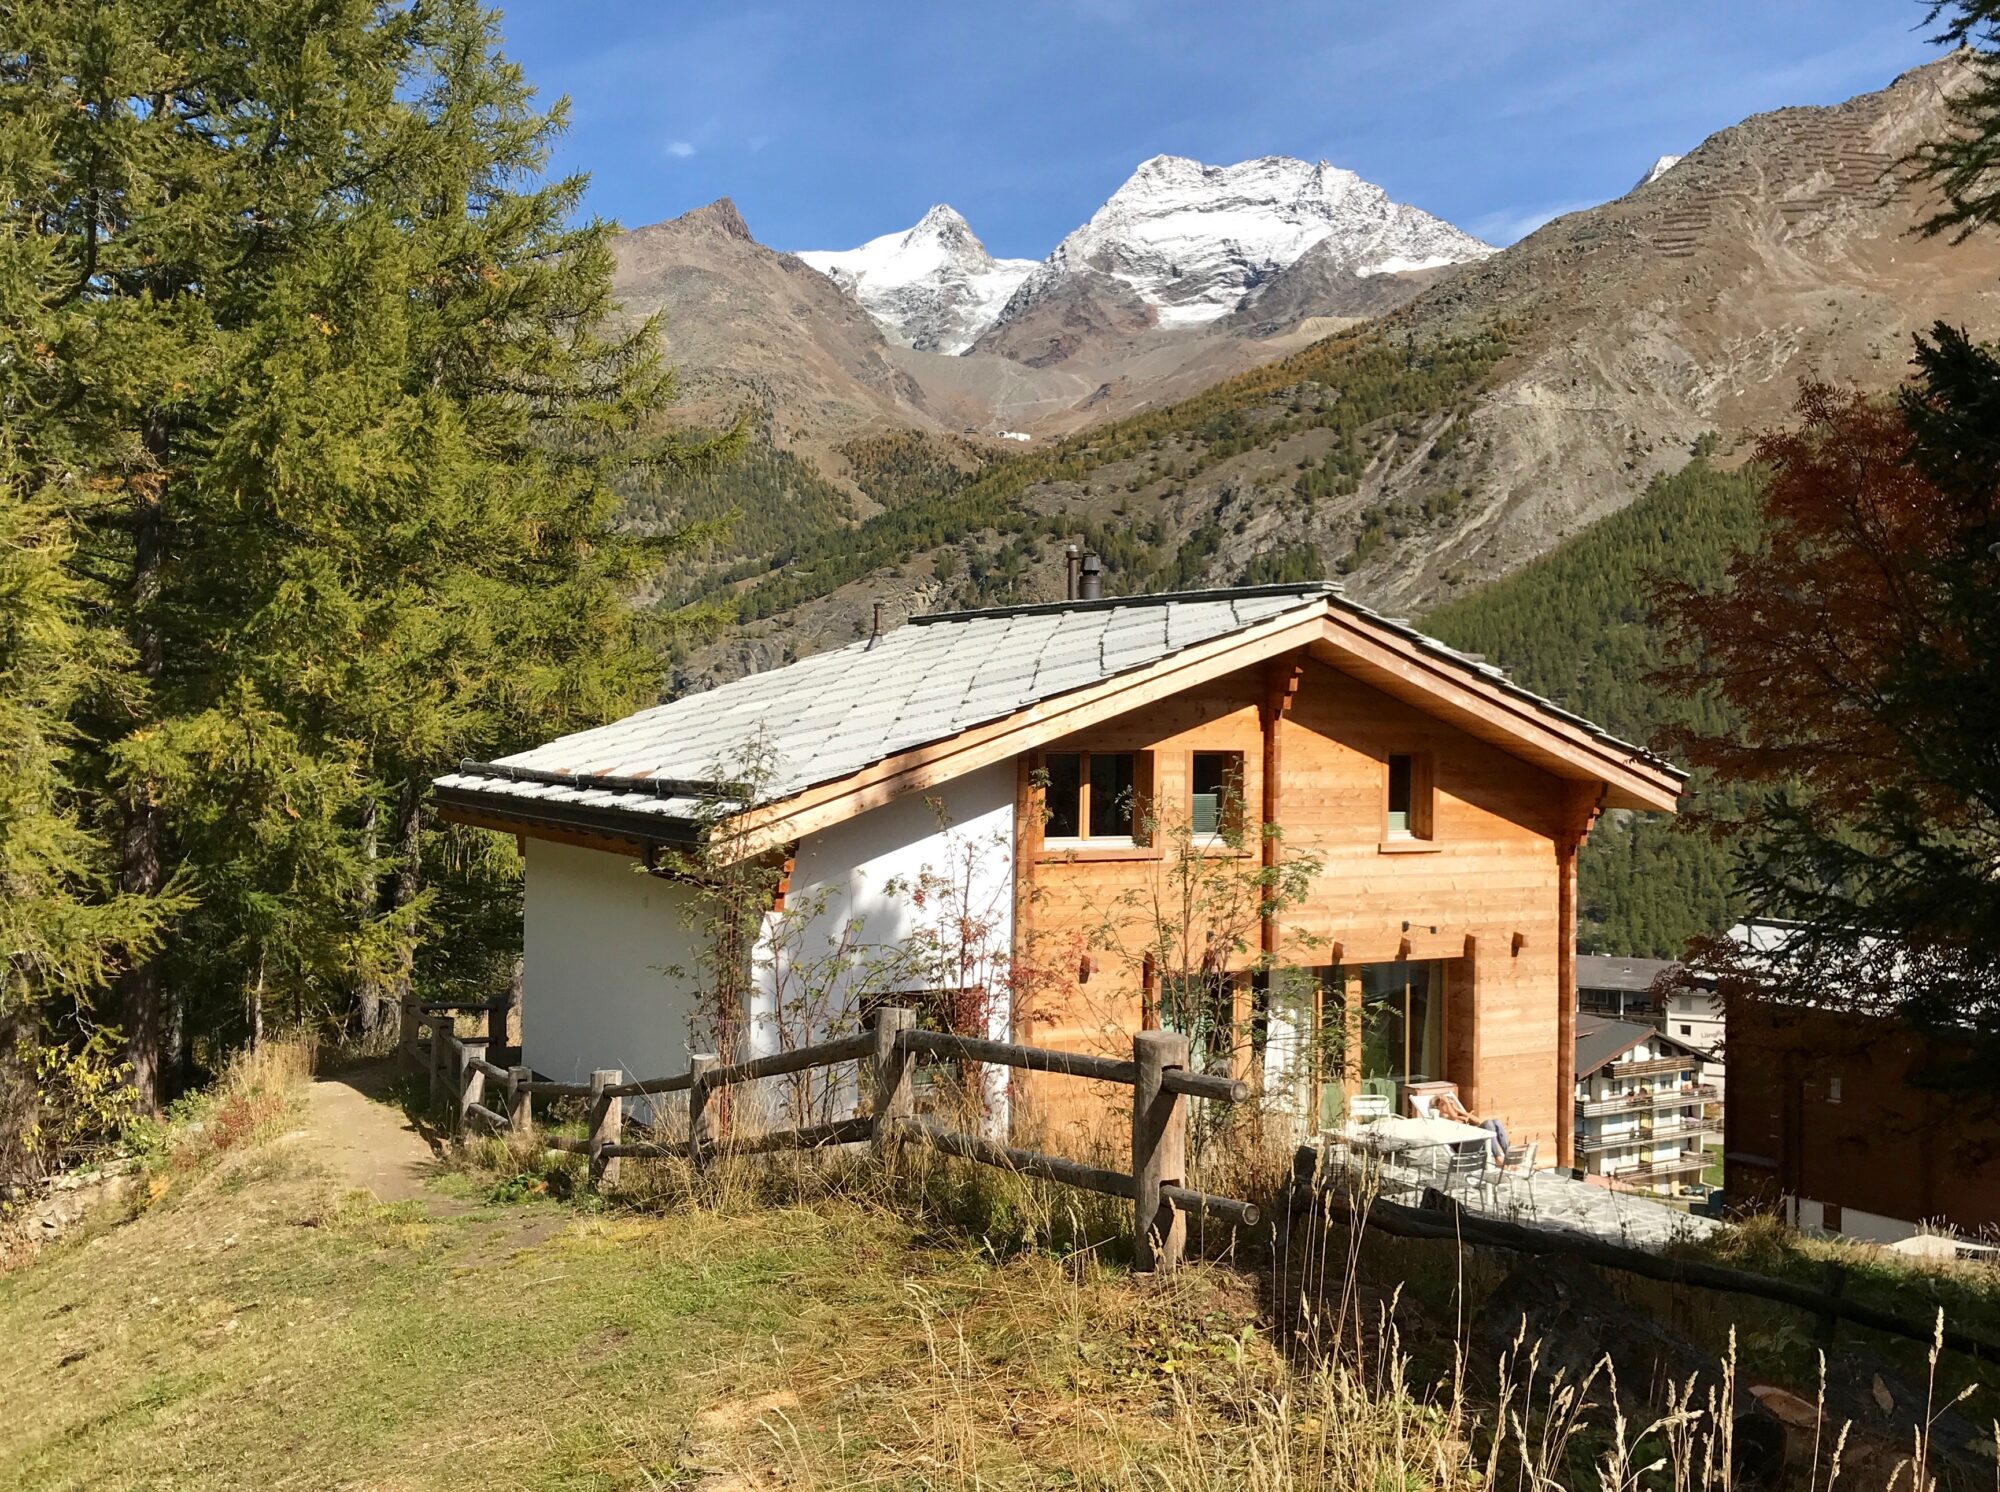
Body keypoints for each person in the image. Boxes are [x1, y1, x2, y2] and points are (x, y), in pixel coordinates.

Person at [1435, 1089, 1510, 1164]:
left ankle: (1508, 1154)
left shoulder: (1459, 1118)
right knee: (1487, 1123)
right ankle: (1498, 1157)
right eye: (1442, 1104)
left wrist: (1457, 1109)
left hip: (1471, 1141)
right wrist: (1446, 1101)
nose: (1448, 1106)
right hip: (1462, 1147)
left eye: (1449, 1104)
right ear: (1437, 1108)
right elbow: (1453, 1117)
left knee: (1495, 1122)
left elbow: (1478, 1121)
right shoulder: (1441, 1118)